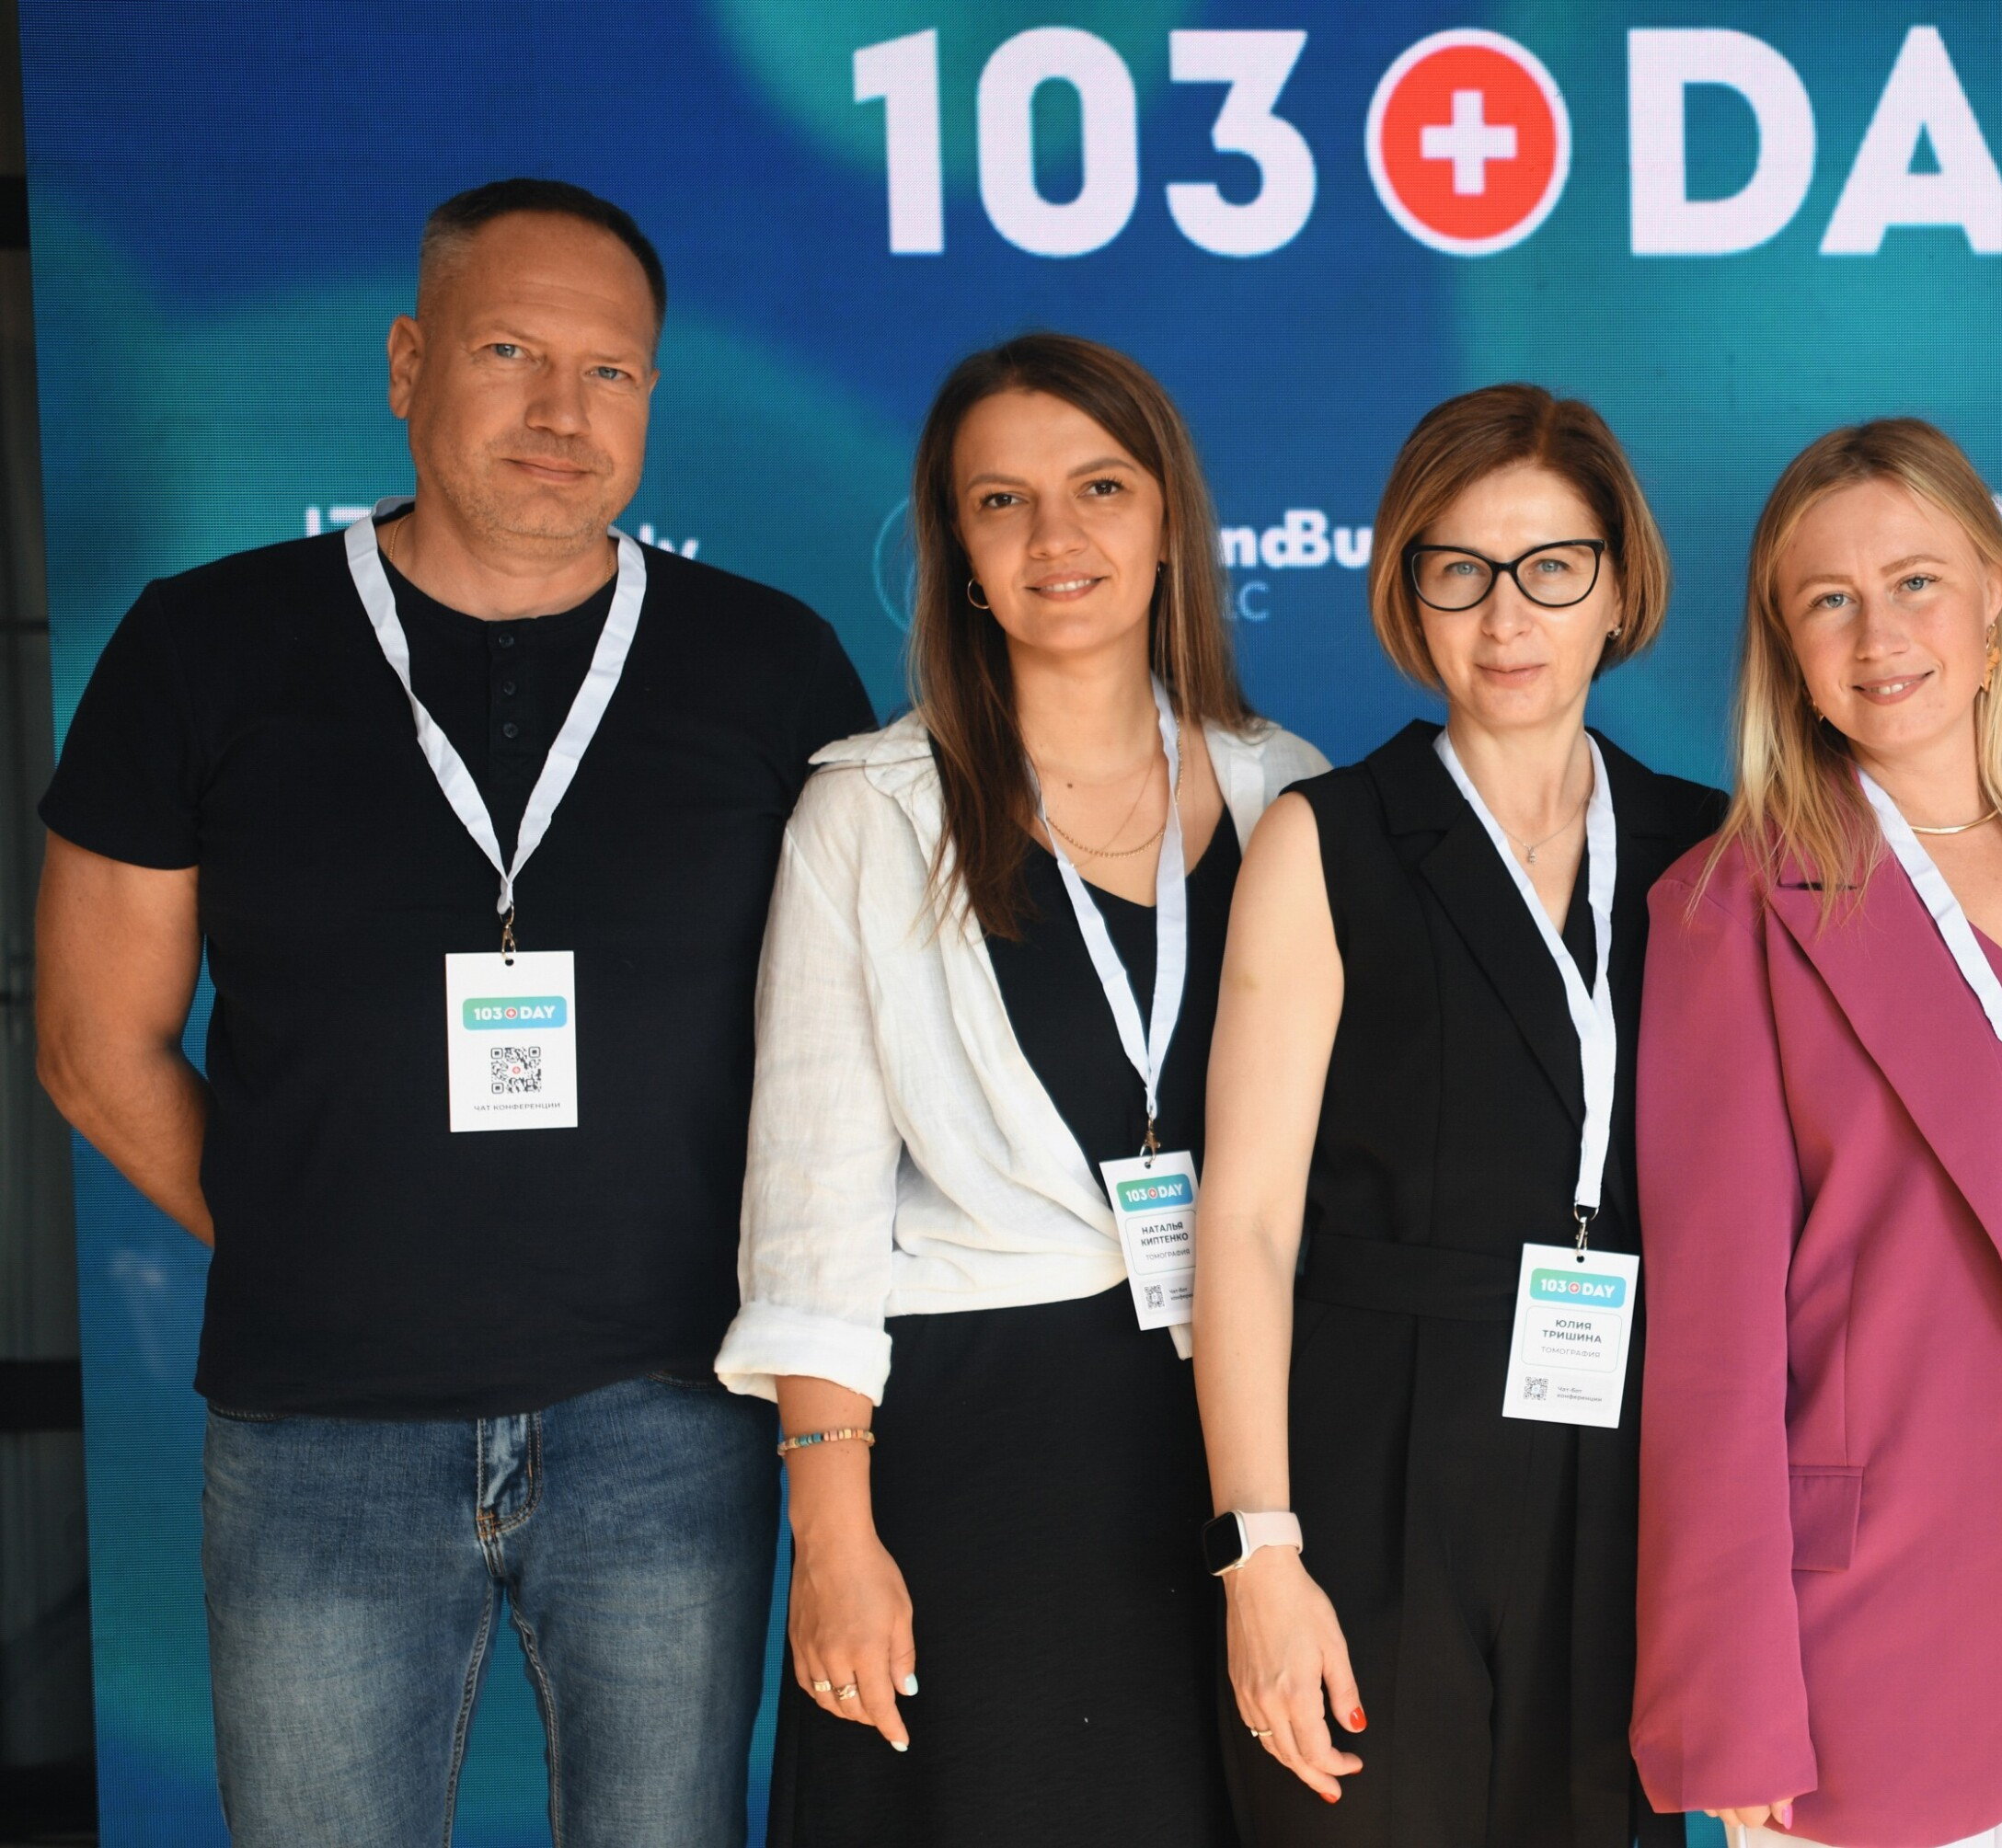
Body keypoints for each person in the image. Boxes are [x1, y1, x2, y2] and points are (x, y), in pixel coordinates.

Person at [33, 178, 872, 1847]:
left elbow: (851, 1058)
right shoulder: (205, 645)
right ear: (408, 363)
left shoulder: (769, 668)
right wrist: (312, 1237)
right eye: (509, 352)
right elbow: (89, 1042)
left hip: (672, 1417)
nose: (563, 410)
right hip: (318, 1431)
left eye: (609, 371)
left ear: (651, 396)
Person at [716, 331, 1324, 1845]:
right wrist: (832, 1541)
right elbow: (811, 1215)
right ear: (961, 554)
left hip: (1244, 1446)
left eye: (1100, 487)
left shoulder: (1288, 793)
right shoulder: (869, 812)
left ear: (1168, 520)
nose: (1057, 535)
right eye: (1004, 501)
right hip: (984, 1470)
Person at [1632, 419, 2002, 1846]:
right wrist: (1732, 1688)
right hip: (1871, 1605)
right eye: (1829, 598)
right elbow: (1711, 1342)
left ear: (1997, 597)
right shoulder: (1729, 908)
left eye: (1915, 582)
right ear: (1786, 646)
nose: (1879, 634)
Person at [1193, 384, 1720, 1846]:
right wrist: (1258, 1549)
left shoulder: (1707, 849)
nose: (1506, 617)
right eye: (1460, 571)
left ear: (1618, 585)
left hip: (1630, 1473)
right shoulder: (1326, 838)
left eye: (1552, 566)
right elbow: (1245, 1222)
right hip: (1371, 1468)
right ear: (1407, 593)